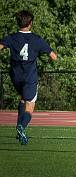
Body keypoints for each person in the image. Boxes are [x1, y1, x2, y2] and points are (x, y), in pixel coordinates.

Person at [0, 10, 57, 145]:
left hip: (15, 77)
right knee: (30, 105)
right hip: (29, 77)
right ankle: (22, 126)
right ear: (30, 23)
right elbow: (54, 57)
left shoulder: (11, 38)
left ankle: (19, 130)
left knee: (22, 99)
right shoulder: (37, 39)